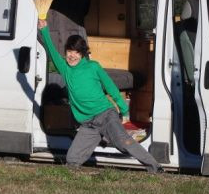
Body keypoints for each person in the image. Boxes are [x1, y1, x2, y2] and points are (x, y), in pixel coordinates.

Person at [38, 19, 162, 173]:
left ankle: (155, 167)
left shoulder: (93, 67)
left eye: (77, 52)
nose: (72, 56)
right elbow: (51, 51)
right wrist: (44, 30)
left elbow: (111, 88)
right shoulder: (65, 69)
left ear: (83, 54)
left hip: (106, 115)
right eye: (69, 52)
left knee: (122, 142)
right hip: (88, 124)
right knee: (72, 159)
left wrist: (124, 110)